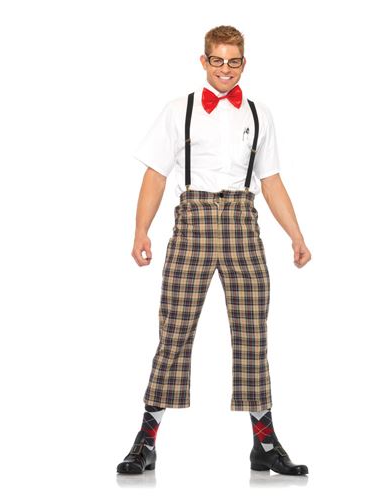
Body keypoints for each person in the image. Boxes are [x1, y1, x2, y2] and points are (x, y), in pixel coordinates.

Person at [117, 25, 311, 476]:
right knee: (175, 331)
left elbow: (271, 180)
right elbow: (156, 174)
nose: (226, 69)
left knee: (252, 333)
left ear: (244, 63)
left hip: (243, 223)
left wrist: (297, 236)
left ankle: (265, 443)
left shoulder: (259, 114)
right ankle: (146, 440)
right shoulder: (178, 110)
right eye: (218, 60)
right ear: (204, 61)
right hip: (194, 222)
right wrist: (141, 231)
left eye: (234, 61)